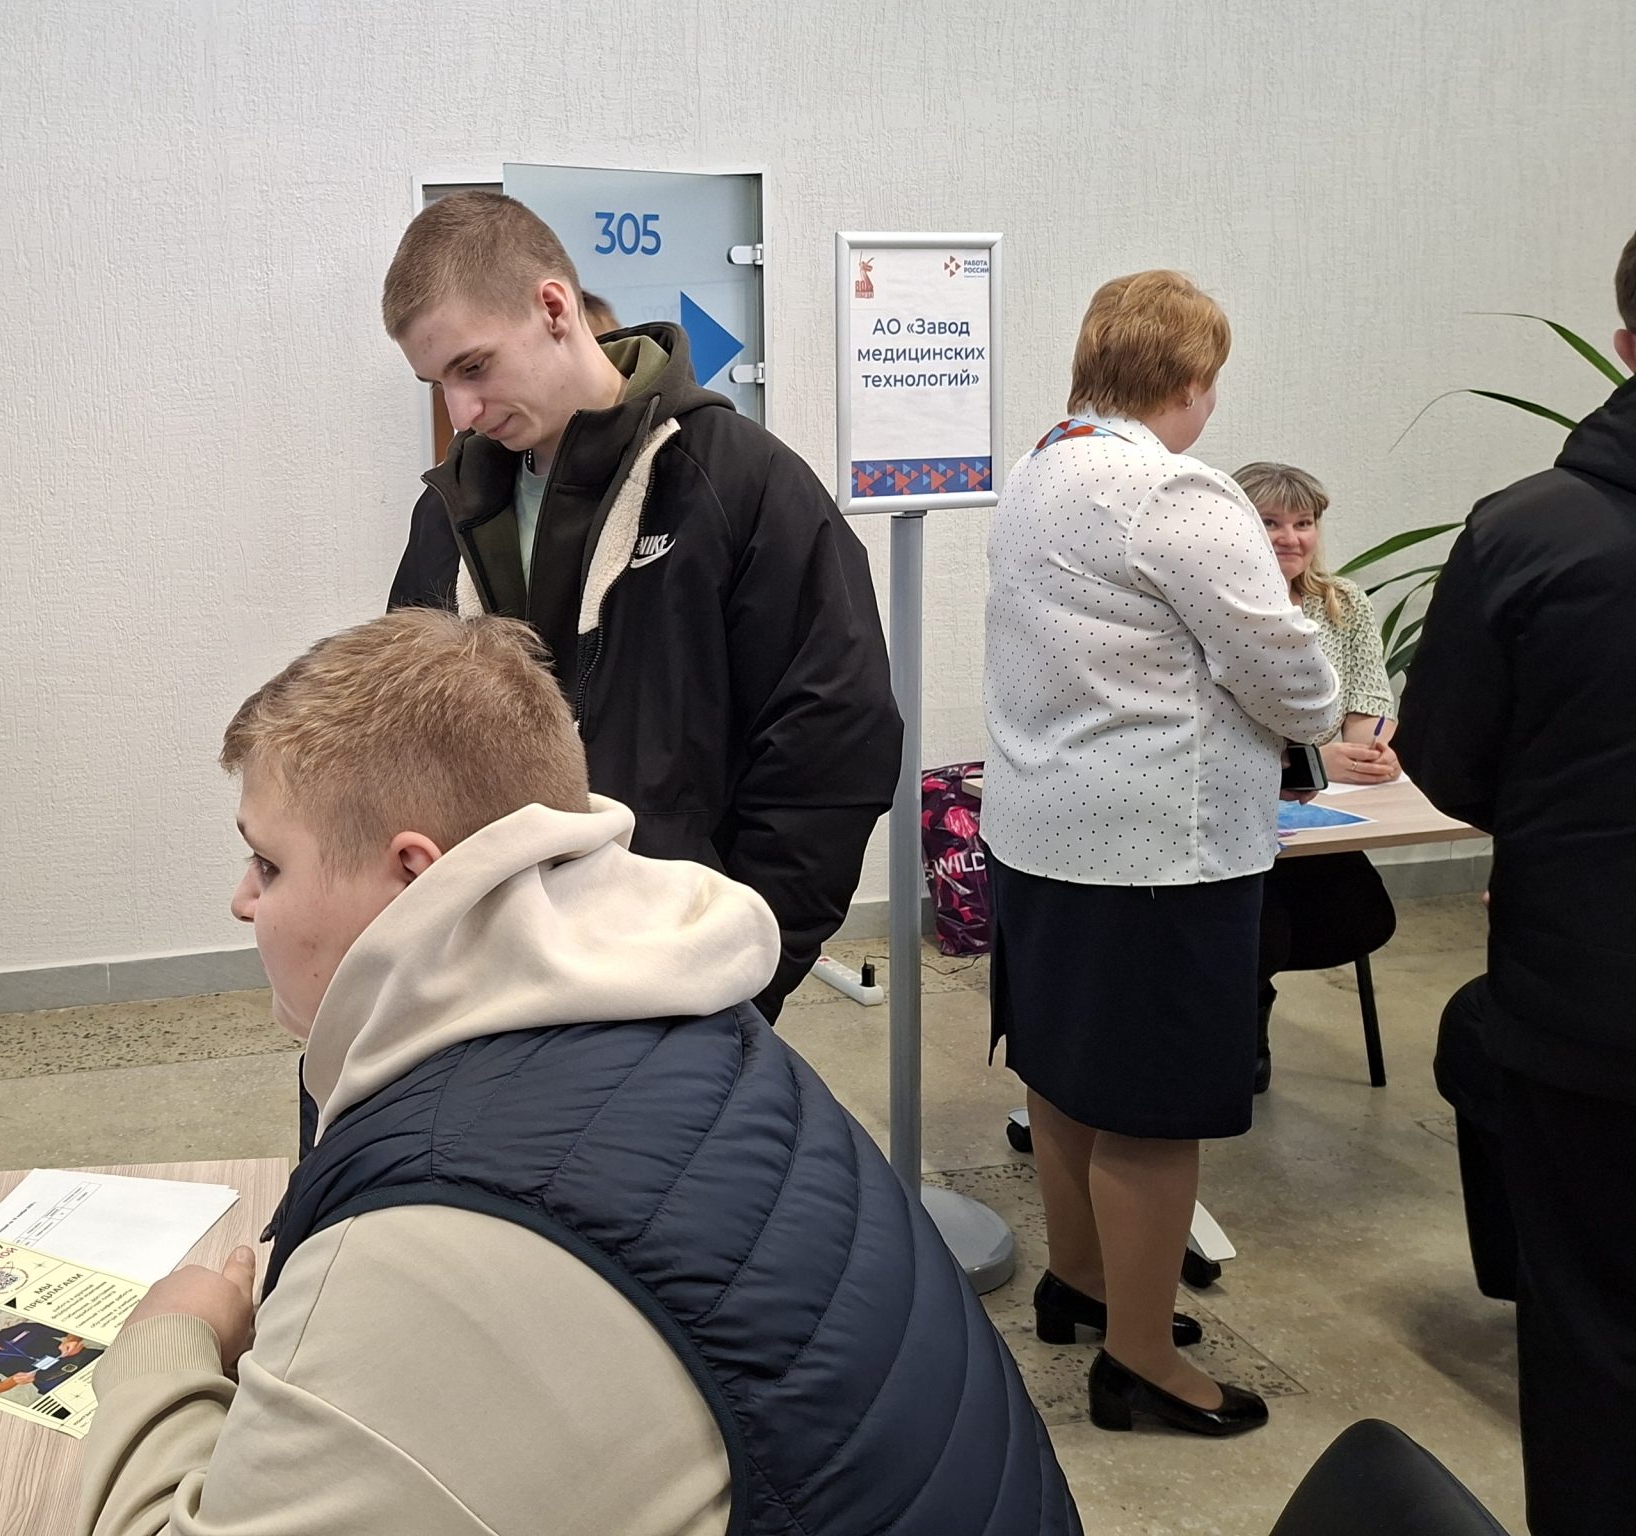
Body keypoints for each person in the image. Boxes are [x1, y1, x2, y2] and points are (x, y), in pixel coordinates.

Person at [77, 610, 1077, 1536]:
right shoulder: (683, 1026)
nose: (242, 902)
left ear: (415, 875)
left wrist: (166, 1346)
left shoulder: (433, 1237)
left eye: (268, 864)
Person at [383, 192, 902, 1012]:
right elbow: (405, 729)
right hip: (486, 967)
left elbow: (833, 741)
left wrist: (744, 959)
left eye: (474, 367)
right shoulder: (448, 509)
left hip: (682, 963)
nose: (461, 413)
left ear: (554, 308)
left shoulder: (743, 483)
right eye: (437, 382)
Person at [980, 272, 1340, 1439]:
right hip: (1155, 851)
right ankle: (1139, 1364)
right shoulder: (1171, 489)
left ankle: (1082, 1286)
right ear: (1190, 378)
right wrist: (1312, 705)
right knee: (1151, 1112)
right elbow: (1291, 673)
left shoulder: (1040, 469)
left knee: (1064, 1075)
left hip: (1041, 829)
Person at [1397, 235, 1636, 1536]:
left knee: (1592, 1341)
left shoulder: (1527, 532)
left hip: (1587, 1010)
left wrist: (1555, 840)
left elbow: (1446, 759)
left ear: (1624, 343)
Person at [1233, 460, 1402, 1092]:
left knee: (1361, 917)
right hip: (1242, 813)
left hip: (1315, 816)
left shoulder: (1343, 602)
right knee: (1262, 932)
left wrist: (1371, 750)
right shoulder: (1222, 605)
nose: (1291, 538)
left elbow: (1369, 703)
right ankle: (1244, 1017)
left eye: (1303, 523)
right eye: (1271, 523)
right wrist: (1315, 759)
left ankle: (1248, 993)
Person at [0, 1316, 101, 1394]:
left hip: (85, 1359)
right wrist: (13, 1380)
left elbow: (71, 1329)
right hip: (52, 1382)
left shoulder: (21, 1329)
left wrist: (72, 1340)